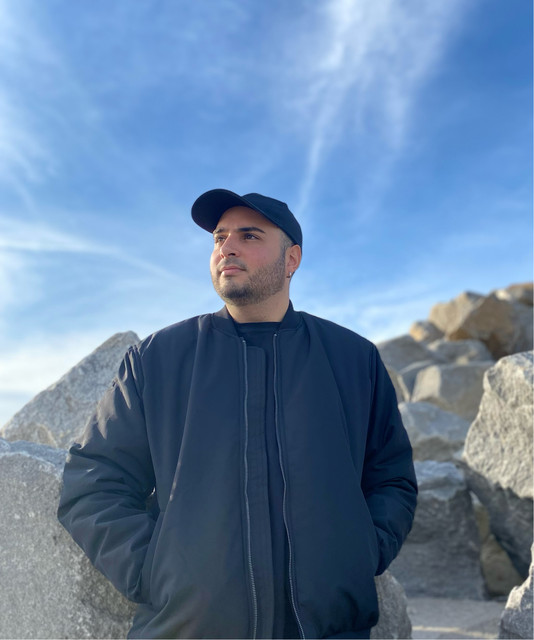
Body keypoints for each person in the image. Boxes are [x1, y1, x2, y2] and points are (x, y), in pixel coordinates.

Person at [58, 189, 417, 640]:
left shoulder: (353, 359)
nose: (227, 247)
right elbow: (93, 482)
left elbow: (392, 479)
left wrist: (362, 552)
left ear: (291, 259)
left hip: (328, 631)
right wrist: (154, 572)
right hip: (186, 630)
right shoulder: (157, 359)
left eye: (249, 235)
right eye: (219, 237)